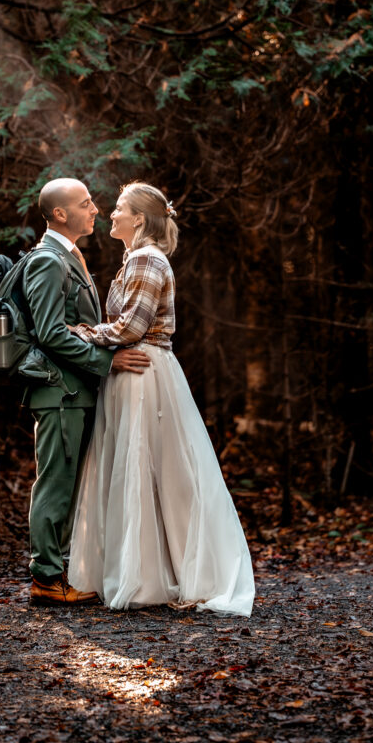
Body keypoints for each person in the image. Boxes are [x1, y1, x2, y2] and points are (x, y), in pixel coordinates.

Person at [68, 182, 255, 616]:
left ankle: (163, 576)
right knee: (136, 468)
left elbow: (131, 328)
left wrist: (80, 334)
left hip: (145, 372)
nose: (110, 214)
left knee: (157, 469)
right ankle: (140, 572)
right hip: (132, 370)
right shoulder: (135, 258)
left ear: (139, 218)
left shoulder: (148, 259)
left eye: (118, 208)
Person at [23, 178, 150, 606]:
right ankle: (46, 578)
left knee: (68, 482)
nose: (95, 209)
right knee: (55, 483)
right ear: (60, 214)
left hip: (74, 391)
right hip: (59, 393)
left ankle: (57, 573)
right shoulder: (48, 259)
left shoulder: (68, 255)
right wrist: (106, 362)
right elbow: (49, 332)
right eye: (85, 203)